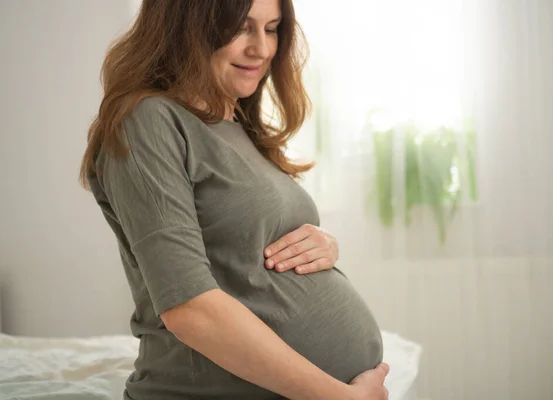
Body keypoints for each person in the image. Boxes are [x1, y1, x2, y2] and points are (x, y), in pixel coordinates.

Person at [79, 0, 389, 398]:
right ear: (185, 27)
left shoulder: (237, 120)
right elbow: (188, 308)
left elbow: (242, 248)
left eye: (272, 28)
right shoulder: (148, 121)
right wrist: (337, 396)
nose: (261, 48)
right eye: (241, 28)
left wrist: (322, 245)